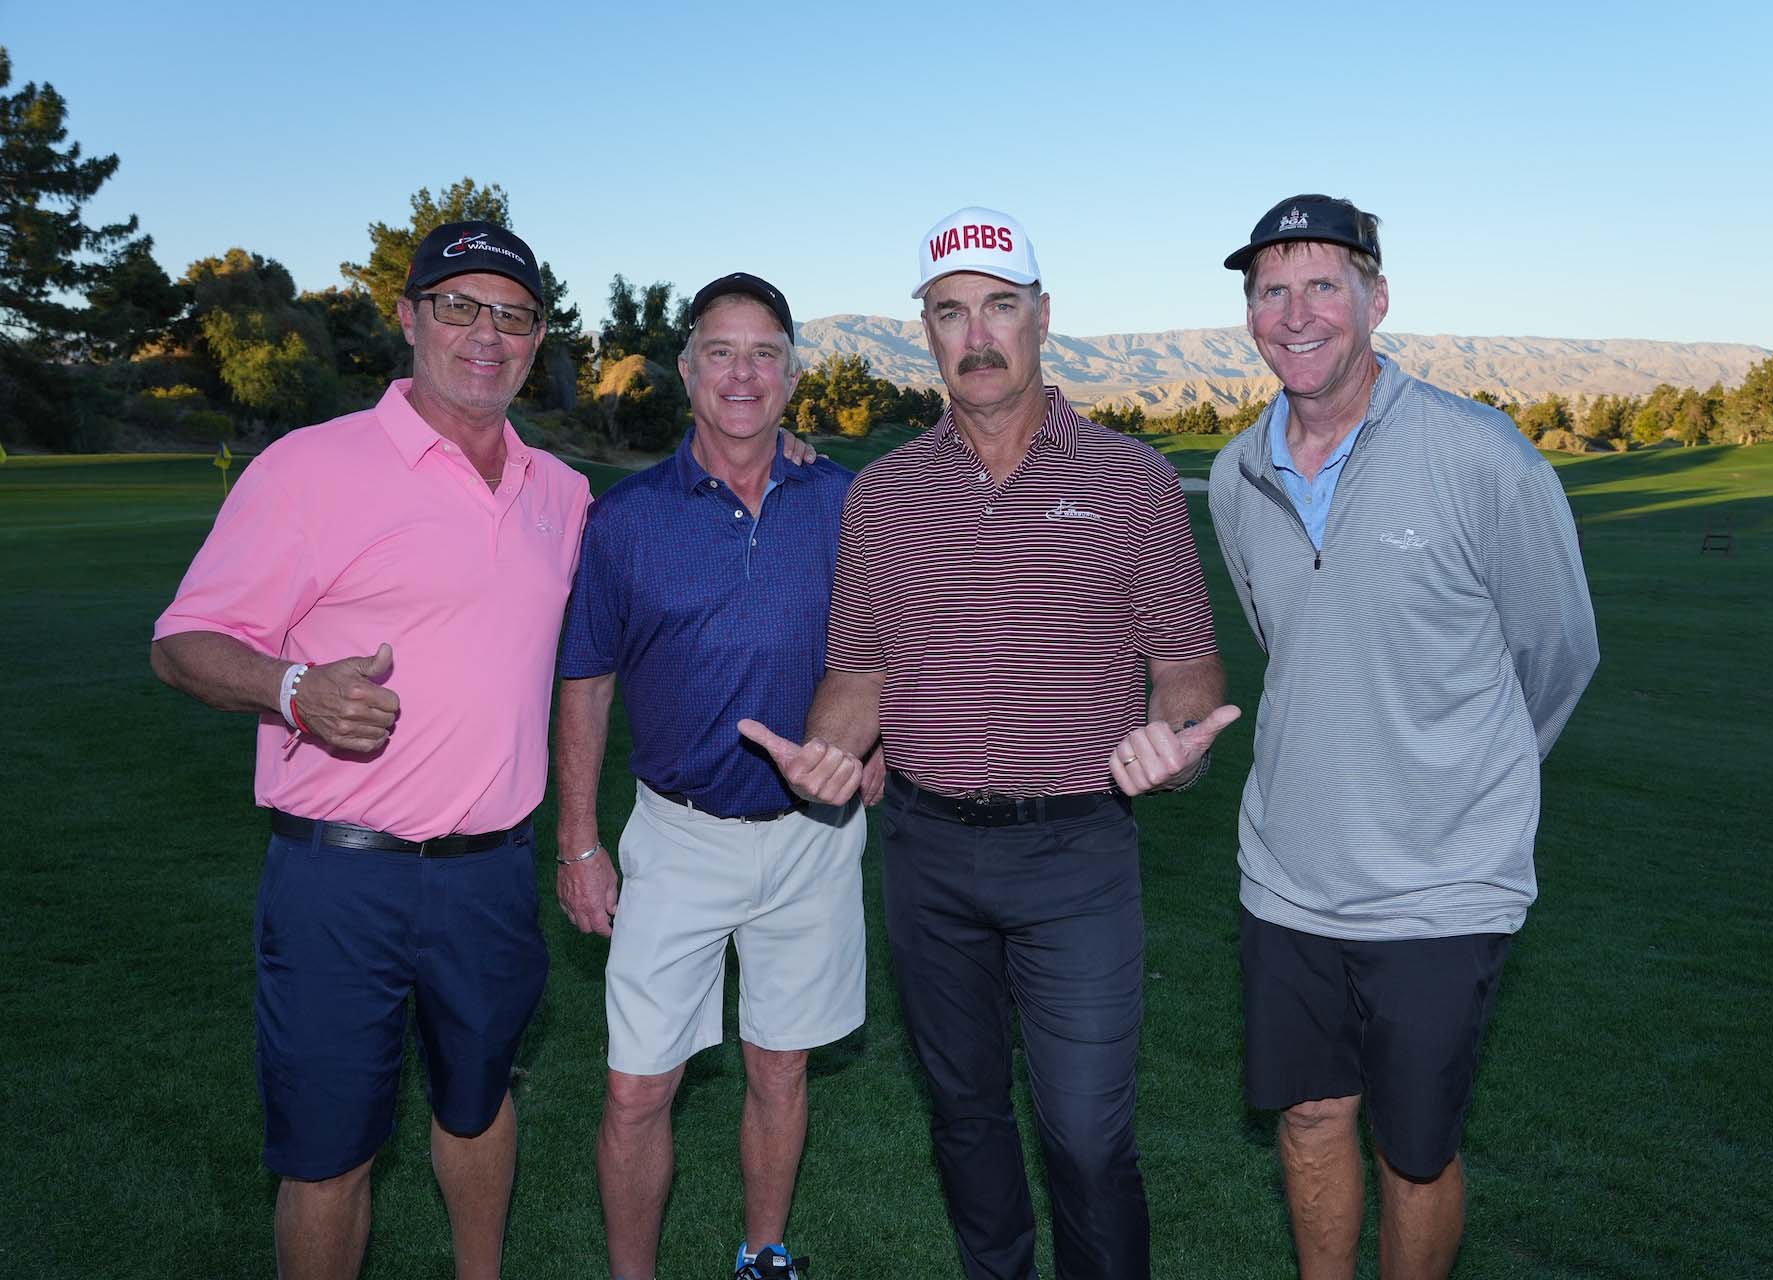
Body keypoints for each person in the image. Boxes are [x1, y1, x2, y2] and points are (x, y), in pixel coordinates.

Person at [741, 207, 1238, 1280]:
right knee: (965, 1117)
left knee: (1089, 1135)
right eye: (951, 312)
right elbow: (859, 671)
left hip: (1076, 851)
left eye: (1000, 307)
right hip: (928, 854)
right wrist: (828, 752)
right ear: (926, 331)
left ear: (1042, 318)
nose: (977, 335)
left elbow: (1185, 663)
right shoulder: (884, 496)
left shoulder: (1132, 480)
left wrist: (1176, 740)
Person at [151, 221, 591, 1280]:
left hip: (491, 874)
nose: (485, 335)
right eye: (458, 306)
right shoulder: (310, 467)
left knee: (479, 1106)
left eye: (512, 316)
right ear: (408, 316)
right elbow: (181, 642)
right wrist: (292, 689)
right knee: (328, 1154)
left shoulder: (562, 493)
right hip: (340, 880)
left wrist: (778, 451)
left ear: (537, 338)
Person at [1207, 194, 1601, 1280]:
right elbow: (1293, 642)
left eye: (1322, 285)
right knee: (1307, 1118)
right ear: (1249, 313)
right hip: (1287, 874)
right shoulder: (1238, 476)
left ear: (1377, 299)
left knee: (1414, 1150)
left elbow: (1559, 651)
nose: (1296, 313)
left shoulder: (1481, 455)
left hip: (1441, 884)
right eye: (1271, 290)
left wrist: (1467, 777)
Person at [554, 272, 865, 1280]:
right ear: (686, 370)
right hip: (677, 837)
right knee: (639, 1086)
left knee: (781, 1065)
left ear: (793, 375)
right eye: (720, 352)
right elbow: (586, 683)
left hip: (813, 841)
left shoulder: (844, 501)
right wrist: (578, 843)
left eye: (765, 353)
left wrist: (878, 761)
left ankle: (763, 1252)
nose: (743, 373)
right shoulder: (627, 517)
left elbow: (891, 652)